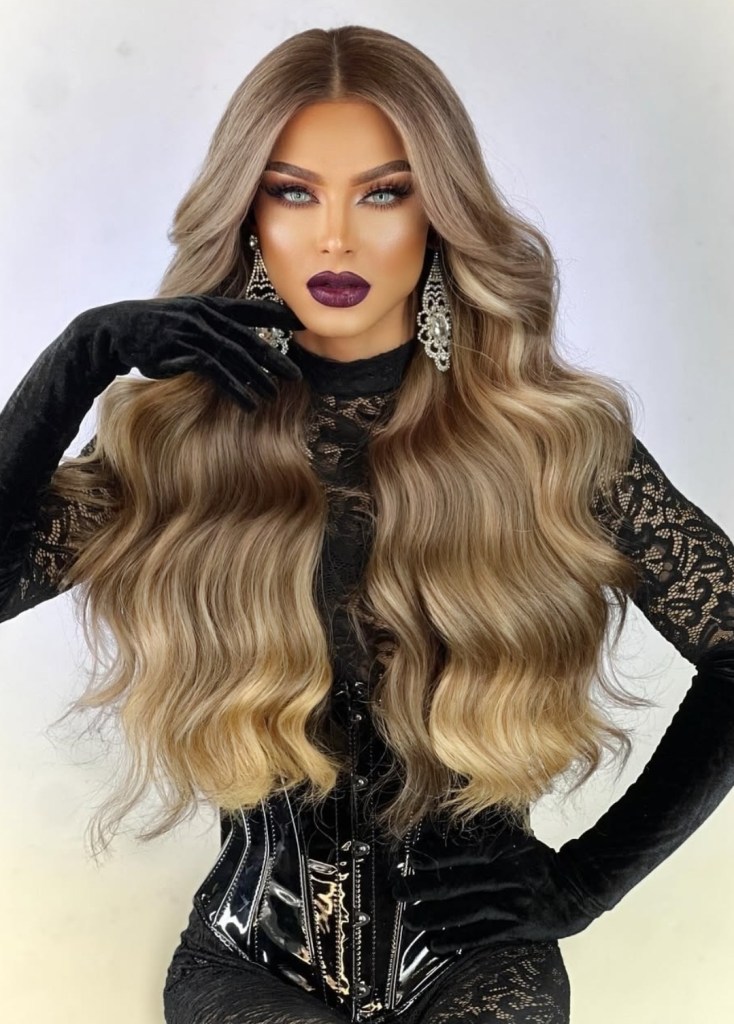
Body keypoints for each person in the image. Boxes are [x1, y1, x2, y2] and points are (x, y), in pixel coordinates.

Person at [1, 23, 733, 1024]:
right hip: (249, 957)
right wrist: (78, 359)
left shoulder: (545, 441)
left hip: (476, 961)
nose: (336, 237)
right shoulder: (178, 444)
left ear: (439, 211)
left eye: (383, 193)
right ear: (248, 213)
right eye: (294, 192)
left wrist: (587, 880)